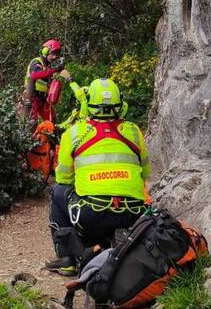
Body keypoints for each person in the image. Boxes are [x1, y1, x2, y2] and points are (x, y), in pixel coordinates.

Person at [45, 78, 150, 276]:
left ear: (88, 104)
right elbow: (145, 173)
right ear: (121, 104)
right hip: (132, 213)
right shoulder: (134, 132)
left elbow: (63, 178)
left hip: (91, 213)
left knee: (57, 192)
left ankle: (67, 258)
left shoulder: (74, 133)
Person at [23, 39, 71, 125]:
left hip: (43, 99)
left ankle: (53, 136)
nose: (55, 57)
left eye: (56, 55)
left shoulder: (48, 66)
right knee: (31, 124)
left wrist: (67, 77)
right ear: (45, 52)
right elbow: (36, 74)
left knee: (52, 120)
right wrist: (56, 69)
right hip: (32, 98)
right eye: (53, 54)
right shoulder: (36, 62)